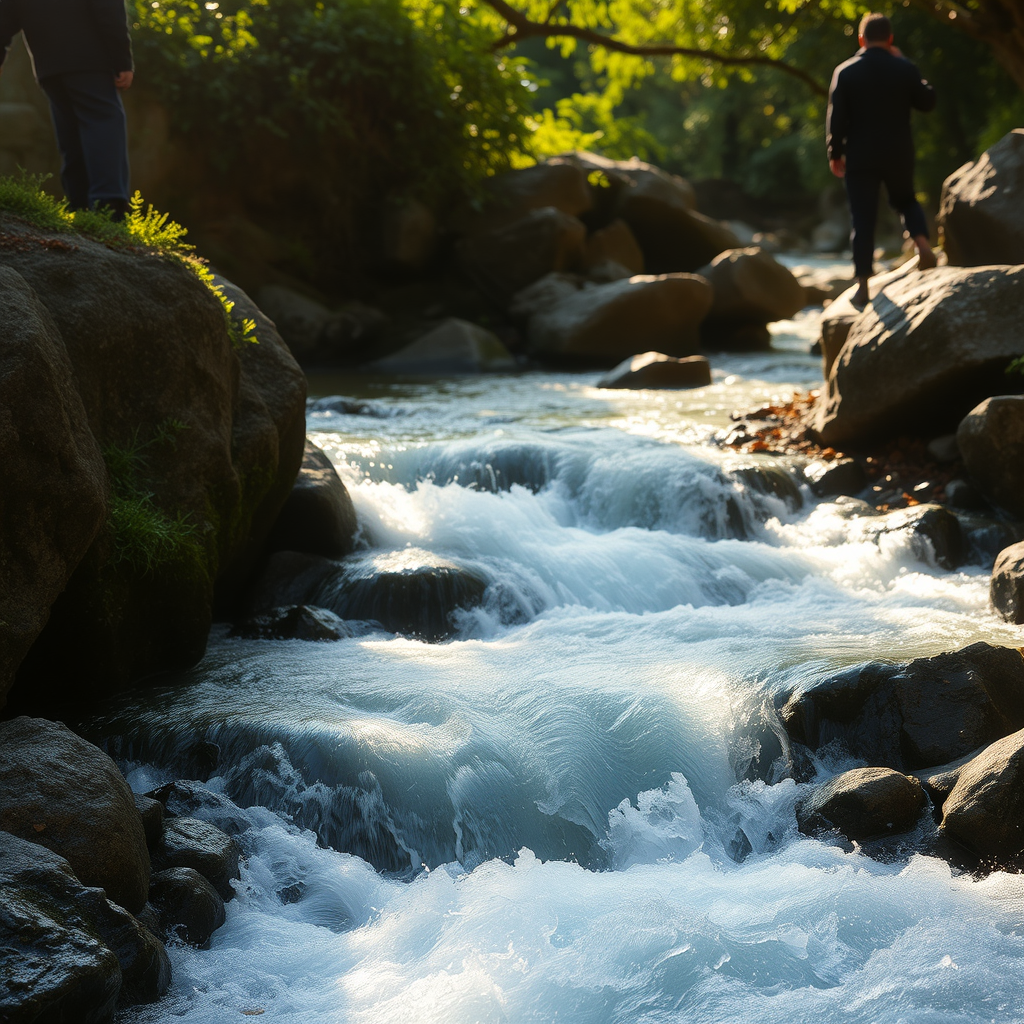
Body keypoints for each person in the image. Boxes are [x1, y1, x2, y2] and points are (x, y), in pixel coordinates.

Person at [826, 12, 936, 306]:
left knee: (862, 219)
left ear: (861, 39)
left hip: (861, 156)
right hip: (898, 152)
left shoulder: (845, 72)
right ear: (890, 39)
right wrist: (910, 67)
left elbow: (836, 119)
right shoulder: (903, 68)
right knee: (905, 200)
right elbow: (927, 102)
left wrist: (835, 153)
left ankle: (863, 287)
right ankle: (922, 244)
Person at [0, 0, 134, 219]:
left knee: (71, 130)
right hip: (90, 60)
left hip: (49, 67)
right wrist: (122, 60)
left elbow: (5, 14)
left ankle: (79, 206)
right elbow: (108, 10)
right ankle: (108, 207)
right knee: (104, 123)